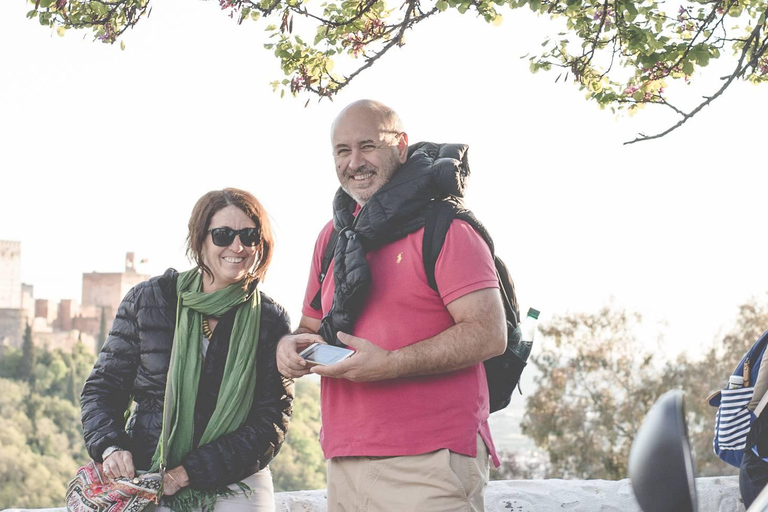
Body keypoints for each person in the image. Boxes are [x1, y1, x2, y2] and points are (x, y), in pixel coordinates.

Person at [276, 99, 507, 511]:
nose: (355, 161)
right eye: (342, 151)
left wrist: (392, 363)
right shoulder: (333, 237)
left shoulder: (447, 227)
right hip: (345, 461)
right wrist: (289, 347)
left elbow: (489, 333)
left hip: (430, 462)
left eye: (368, 146)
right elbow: (309, 328)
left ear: (401, 146)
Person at [81, 188, 293, 512]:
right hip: (150, 469)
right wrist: (110, 447)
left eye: (249, 235)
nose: (237, 246)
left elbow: (270, 422)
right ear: (200, 239)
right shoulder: (149, 301)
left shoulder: (270, 320)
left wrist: (186, 474)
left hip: (236, 477)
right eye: (223, 235)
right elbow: (103, 389)